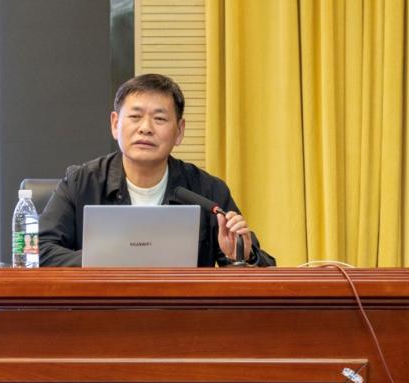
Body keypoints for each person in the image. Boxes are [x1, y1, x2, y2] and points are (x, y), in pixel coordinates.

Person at [39, 73, 276, 267]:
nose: (146, 128)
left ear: (179, 131)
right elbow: (38, 251)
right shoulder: (80, 182)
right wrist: (105, 259)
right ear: (115, 124)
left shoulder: (207, 191)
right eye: (135, 116)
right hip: (103, 308)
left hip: (180, 310)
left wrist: (242, 256)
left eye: (159, 119)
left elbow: (263, 270)